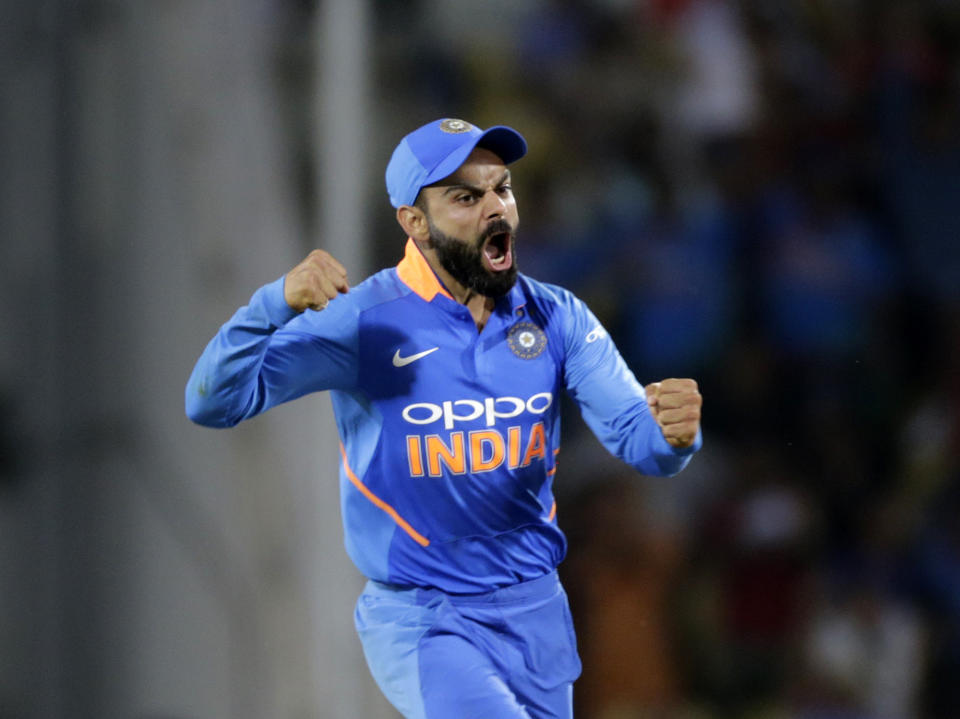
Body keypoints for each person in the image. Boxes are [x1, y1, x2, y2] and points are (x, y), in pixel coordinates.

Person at [185, 118, 703, 719]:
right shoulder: (364, 322)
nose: (495, 209)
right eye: (465, 196)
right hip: (426, 618)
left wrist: (673, 435)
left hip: (536, 615)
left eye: (502, 189)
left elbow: (640, 443)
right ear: (413, 221)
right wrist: (271, 304)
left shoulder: (558, 317)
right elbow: (214, 402)